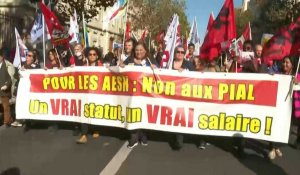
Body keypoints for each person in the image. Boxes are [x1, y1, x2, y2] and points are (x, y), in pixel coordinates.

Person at [121, 41, 158, 149]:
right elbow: (122, 70)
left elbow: (160, 73)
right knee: (133, 113)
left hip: (146, 93)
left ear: (145, 51)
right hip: (132, 94)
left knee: (144, 113)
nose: (139, 52)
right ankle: (133, 137)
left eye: (141, 50)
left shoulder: (150, 60)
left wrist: (156, 68)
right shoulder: (130, 60)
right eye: (137, 50)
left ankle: (143, 135)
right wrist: (122, 66)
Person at [76, 47, 103, 144]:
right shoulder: (84, 66)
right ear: (87, 56)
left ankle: (96, 129)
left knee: (96, 110)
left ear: (97, 56)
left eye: (94, 54)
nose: (92, 56)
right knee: (84, 111)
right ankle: (84, 135)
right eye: (90, 54)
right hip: (85, 93)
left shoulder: (101, 66)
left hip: (97, 93)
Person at [171, 46, 194, 150]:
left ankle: (179, 138)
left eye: (182, 52)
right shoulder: (168, 63)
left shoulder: (188, 64)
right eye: (178, 51)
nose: (180, 53)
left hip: (184, 95)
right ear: (174, 52)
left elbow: (195, 77)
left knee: (180, 115)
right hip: (169, 94)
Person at [0, 50, 13, 128]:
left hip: (4, 90)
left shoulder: (7, 65)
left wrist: (6, 85)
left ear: (2, 57)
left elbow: (10, 78)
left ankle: (7, 121)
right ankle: (9, 119)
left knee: (6, 106)